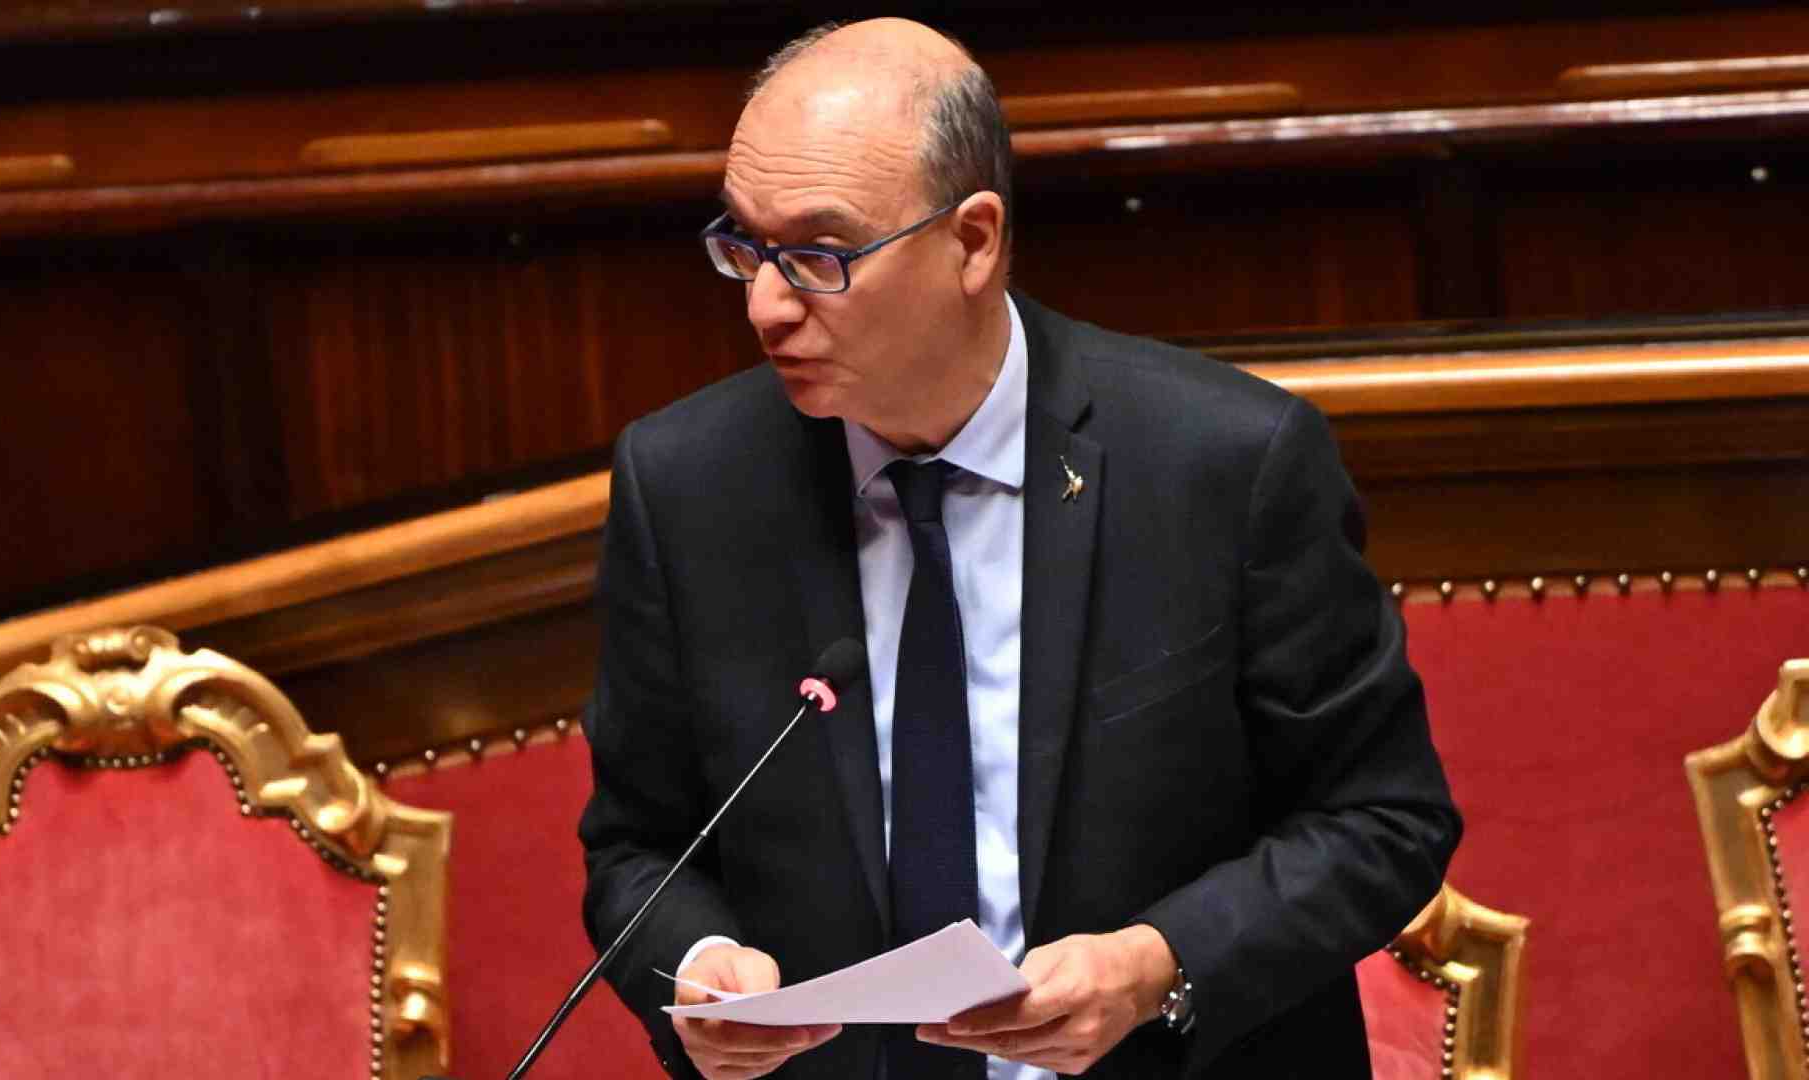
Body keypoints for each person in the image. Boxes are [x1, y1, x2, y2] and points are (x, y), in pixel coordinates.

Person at [578, 17, 1459, 1080]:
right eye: (744, 247)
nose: (766, 305)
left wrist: (1159, 964)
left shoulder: (1224, 465)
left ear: (973, 241)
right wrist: (698, 964)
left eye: (817, 256)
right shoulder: (689, 486)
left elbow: (1384, 818)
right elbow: (637, 848)